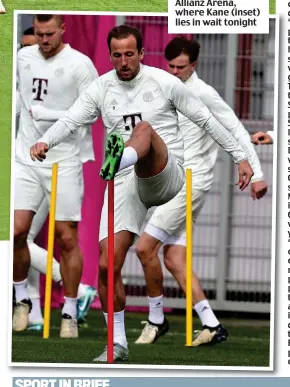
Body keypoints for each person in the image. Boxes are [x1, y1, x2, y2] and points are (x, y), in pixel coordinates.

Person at [30, 25, 253, 361]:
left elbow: (208, 120)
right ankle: (117, 344)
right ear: (110, 56)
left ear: (141, 53)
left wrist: (242, 158)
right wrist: (47, 140)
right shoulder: (101, 88)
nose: (123, 61)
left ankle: (123, 157)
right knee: (108, 264)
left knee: (144, 130)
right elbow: (73, 119)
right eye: (117, 55)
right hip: (124, 182)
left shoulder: (164, 82)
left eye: (129, 54)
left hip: (166, 173)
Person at [134, 36, 268, 347]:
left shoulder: (205, 94)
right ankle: (211, 324)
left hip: (190, 182)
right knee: (175, 258)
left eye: (181, 66)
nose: (175, 70)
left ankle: (156, 319)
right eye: (171, 65)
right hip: (170, 180)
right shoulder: (163, 88)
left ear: (193, 65)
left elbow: (234, 128)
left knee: (144, 248)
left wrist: (257, 173)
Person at [13, 14, 98, 339]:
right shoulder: (22, 57)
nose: (44, 39)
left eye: (49, 33)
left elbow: (92, 112)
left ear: (62, 30)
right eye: (39, 33)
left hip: (63, 160)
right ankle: (22, 300)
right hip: (25, 159)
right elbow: (17, 102)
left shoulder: (79, 65)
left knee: (66, 237)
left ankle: (70, 310)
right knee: (16, 232)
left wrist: (48, 116)